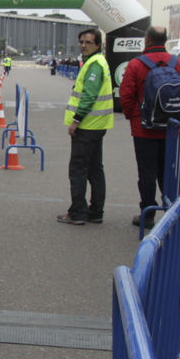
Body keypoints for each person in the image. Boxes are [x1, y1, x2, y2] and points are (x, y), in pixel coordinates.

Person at [117, 26, 180, 229]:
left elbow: (125, 95)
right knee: (168, 170)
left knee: (147, 171)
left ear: (147, 39)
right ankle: (172, 214)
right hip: (172, 127)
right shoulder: (179, 64)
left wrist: (133, 116)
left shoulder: (135, 64)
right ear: (166, 40)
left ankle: (148, 213)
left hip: (143, 128)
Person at [57, 29, 113, 225]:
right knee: (95, 169)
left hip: (88, 126)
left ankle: (78, 212)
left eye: (88, 42)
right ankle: (96, 211)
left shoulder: (95, 64)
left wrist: (76, 121)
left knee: (78, 169)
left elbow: (89, 96)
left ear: (98, 45)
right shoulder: (96, 62)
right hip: (97, 125)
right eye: (81, 42)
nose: (83, 45)